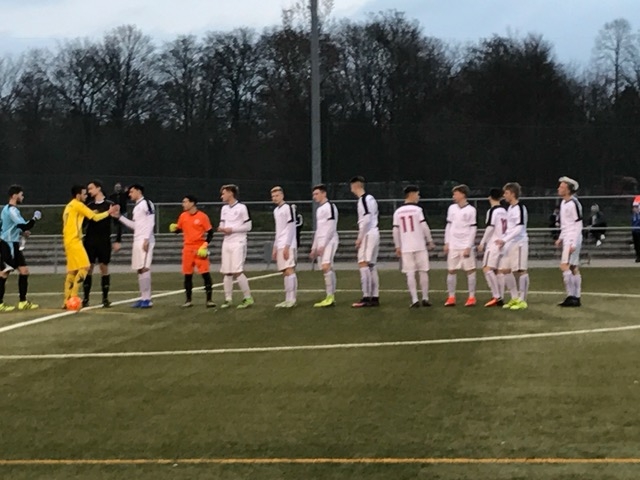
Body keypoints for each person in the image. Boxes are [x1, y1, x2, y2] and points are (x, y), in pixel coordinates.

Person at [62, 185, 117, 308]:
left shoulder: (69, 206)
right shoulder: (79, 205)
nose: (86, 196)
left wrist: (94, 212)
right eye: (84, 194)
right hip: (75, 240)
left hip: (67, 240)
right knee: (85, 267)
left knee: (72, 271)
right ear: (78, 195)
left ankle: (66, 300)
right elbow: (95, 218)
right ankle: (74, 296)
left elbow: (85, 215)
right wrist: (108, 212)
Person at [110, 184, 155, 308]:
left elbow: (151, 221)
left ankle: (148, 299)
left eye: (132, 192)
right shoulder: (137, 207)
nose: (129, 194)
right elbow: (135, 225)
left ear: (139, 191)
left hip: (145, 240)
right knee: (140, 269)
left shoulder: (146, 203)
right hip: (137, 239)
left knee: (145, 268)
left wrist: (146, 238)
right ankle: (143, 297)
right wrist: (119, 217)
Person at [0, 185, 42, 311]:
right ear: (14, 195)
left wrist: (22, 232)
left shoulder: (7, 209)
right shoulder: (12, 210)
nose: (22, 197)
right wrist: (35, 218)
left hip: (13, 243)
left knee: (24, 271)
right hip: (8, 244)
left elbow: (14, 227)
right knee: (4, 272)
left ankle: (23, 302)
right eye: (21, 195)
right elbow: (25, 226)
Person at [392, 185, 436, 307]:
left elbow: (395, 230)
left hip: (406, 246)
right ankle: (425, 298)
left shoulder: (398, 211)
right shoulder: (417, 210)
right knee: (423, 271)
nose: (418, 197)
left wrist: (397, 246)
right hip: (419, 245)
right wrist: (430, 240)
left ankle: (414, 299)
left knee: (410, 273)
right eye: (417, 194)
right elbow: (424, 226)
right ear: (411, 194)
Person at [169, 195, 215, 308]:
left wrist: (205, 245)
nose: (183, 204)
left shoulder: (202, 216)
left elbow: (210, 232)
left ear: (192, 203)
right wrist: (174, 229)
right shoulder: (183, 216)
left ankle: (209, 300)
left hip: (199, 248)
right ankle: (188, 300)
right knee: (187, 275)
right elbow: (179, 229)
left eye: (185, 202)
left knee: (205, 273)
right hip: (187, 248)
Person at [82, 180, 122, 308]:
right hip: (90, 240)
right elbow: (83, 224)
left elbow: (118, 223)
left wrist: (117, 240)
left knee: (104, 267)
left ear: (98, 188)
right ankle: (86, 298)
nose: (89, 191)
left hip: (104, 240)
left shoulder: (110, 204)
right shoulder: (89, 205)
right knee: (88, 268)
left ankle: (105, 298)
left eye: (91, 188)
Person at [217, 184, 254, 309]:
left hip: (238, 242)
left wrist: (232, 229)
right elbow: (222, 223)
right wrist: (222, 228)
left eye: (223, 193)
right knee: (227, 272)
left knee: (237, 271)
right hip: (227, 242)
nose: (222, 196)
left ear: (230, 193)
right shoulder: (224, 209)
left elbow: (248, 226)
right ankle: (228, 299)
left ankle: (248, 297)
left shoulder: (242, 208)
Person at [496, 182, 530, 310]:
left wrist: (505, 239)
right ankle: (514, 297)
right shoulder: (510, 208)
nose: (504, 195)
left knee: (521, 270)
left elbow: (519, 228)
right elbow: (509, 228)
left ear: (513, 194)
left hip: (519, 242)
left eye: (506, 193)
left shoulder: (520, 208)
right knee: (505, 269)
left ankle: (522, 300)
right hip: (509, 243)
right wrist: (503, 240)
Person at [443, 184, 478, 307]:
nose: (454, 196)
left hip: (465, 245)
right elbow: (448, 225)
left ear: (463, 194)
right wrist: (447, 242)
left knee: (470, 270)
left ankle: (471, 297)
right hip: (453, 245)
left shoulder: (471, 210)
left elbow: (473, 229)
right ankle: (451, 297)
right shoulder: (452, 208)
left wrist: (469, 246)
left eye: (456, 194)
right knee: (451, 270)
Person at [350, 176, 380, 308]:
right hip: (374, 232)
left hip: (368, 233)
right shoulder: (371, 198)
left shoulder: (363, 199)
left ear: (355, 186)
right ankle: (375, 296)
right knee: (371, 265)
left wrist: (360, 237)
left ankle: (366, 297)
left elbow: (366, 219)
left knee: (363, 263)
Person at [477, 188, 508, 307]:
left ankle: (496, 296)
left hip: (494, 243)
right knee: (499, 271)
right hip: (503, 243)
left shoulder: (492, 211)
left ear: (489, 197)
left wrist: (482, 242)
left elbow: (490, 227)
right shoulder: (504, 211)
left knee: (487, 268)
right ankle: (501, 296)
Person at [310, 184, 339, 308]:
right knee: (326, 268)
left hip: (330, 241)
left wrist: (323, 244)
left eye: (317, 194)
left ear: (324, 193)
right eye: (313, 194)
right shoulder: (319, 210)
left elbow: (331, 227)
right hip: (322, 242)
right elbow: (319, 230)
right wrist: (314, 246)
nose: (314, 196)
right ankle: (330, 296)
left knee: (326, 266)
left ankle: (330, 296)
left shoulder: (330, 207)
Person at [556, 176, 583, 307]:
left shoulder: (573, 203)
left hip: (573, 238)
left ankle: (571, 295)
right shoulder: (563, 203)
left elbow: (578, 224)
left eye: (561, 187)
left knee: (564, 266)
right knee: (573, 267)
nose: (558, 189)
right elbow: (566, 224)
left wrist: (573, 242)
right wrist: (561, 237)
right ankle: (576, 297)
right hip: (568, 237)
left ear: (568, 190)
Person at [270, 186, 298, 308]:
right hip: (280, 244)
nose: (275, 198)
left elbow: (292, 228)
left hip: (288, 244)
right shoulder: (276, 211)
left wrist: (287, 246)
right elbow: (278, 230)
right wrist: (275, 246)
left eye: (277, 195)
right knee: (284, 272)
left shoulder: (288, 208)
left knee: (289, 269)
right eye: (273, 196)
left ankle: (292, 299)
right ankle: (287, 299)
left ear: (282, 195)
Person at [109, 182, 128, 248]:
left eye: (119, 187)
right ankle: (117, 234)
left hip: (123, 211)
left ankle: (122, 235)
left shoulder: (123, 195)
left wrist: (127, 191)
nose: (118, 188)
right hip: (115, 212)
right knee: (116, 224)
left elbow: (128, 197)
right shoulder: (112, 196)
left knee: (123, 224)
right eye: (117, 187)